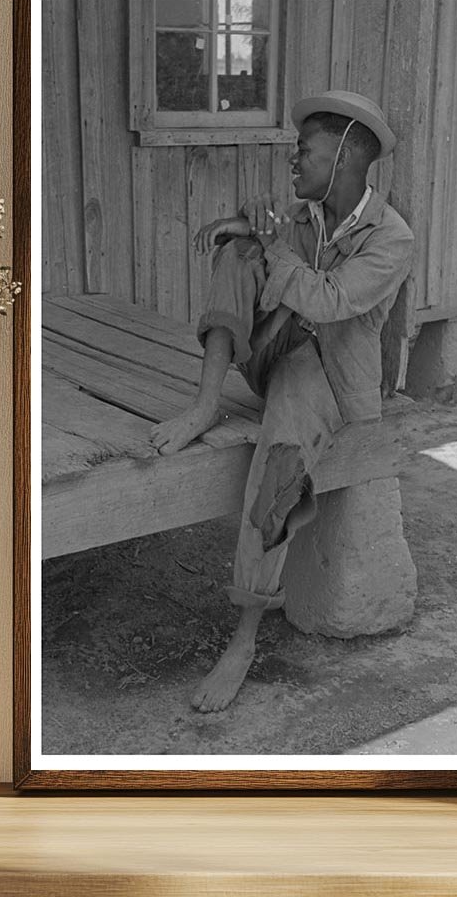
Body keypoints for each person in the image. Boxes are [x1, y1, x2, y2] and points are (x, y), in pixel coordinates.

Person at [149, 90, 415, 712]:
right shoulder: (305, 215)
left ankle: (244, 638)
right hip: (278, 356)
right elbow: (266, 229)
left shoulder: (390, 238)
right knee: (238, 252)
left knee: (279, 463)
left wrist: (270, 241)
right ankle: (206, 404)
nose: (293, 162)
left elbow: (325, 299)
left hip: (332, 380)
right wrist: (249, 227)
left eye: (305, 152)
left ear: (346, 157)